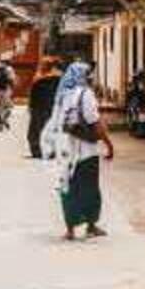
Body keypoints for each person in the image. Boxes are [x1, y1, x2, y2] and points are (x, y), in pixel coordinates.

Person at [48, 62, 114, 241]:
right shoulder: (86, 94)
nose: (91, 77)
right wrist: (108, 144)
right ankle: (91, 225)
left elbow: (56, 122)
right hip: (86, 151)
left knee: (68, 187)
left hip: (66, 151)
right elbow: (95, 123)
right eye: (88, 74)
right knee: (89, 189)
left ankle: (70, 229)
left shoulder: (62, 95)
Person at [25, 57, 63, 160]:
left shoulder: (39, 79)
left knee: (34, 132)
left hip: (39, 108)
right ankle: (52, 150)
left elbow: (33, 94)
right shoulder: (59, 78)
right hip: (53, 107)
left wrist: (30, 107)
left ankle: (37, 151)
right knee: (53, 129)